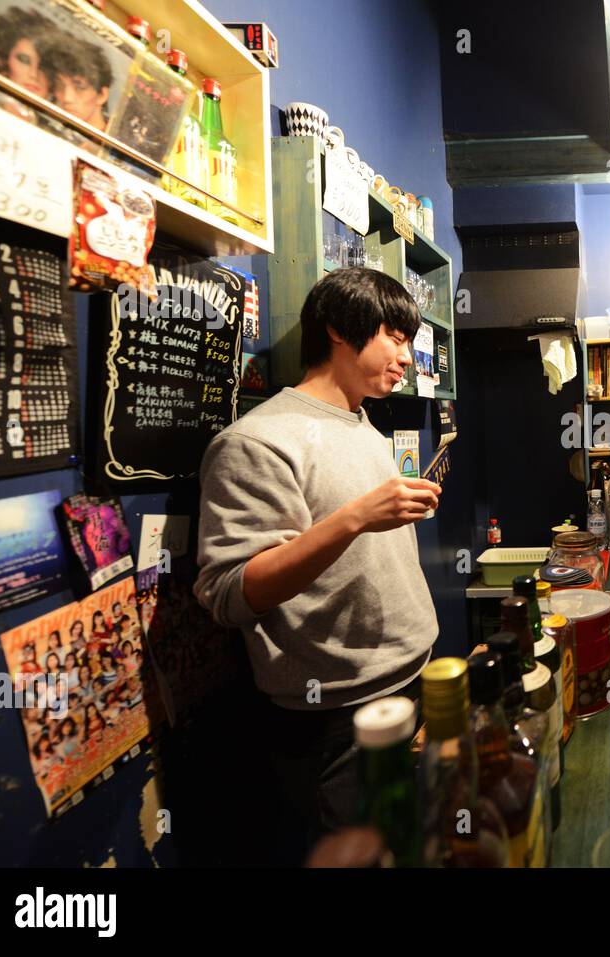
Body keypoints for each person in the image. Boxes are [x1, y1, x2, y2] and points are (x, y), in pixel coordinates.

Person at [195, 266, 441, 863]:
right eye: (396, 336)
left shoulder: (365, 427)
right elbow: (228, 592)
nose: (407, 357)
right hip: (333, 716)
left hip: (412, 681)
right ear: (338, 329)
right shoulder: (256, 442)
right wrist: (355, 517)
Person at [44, 36, 113, 132]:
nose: (67, 98)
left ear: (102, 95)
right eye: (60, 85)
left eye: (79, 87)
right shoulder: (48, 128)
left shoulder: (115, 141)